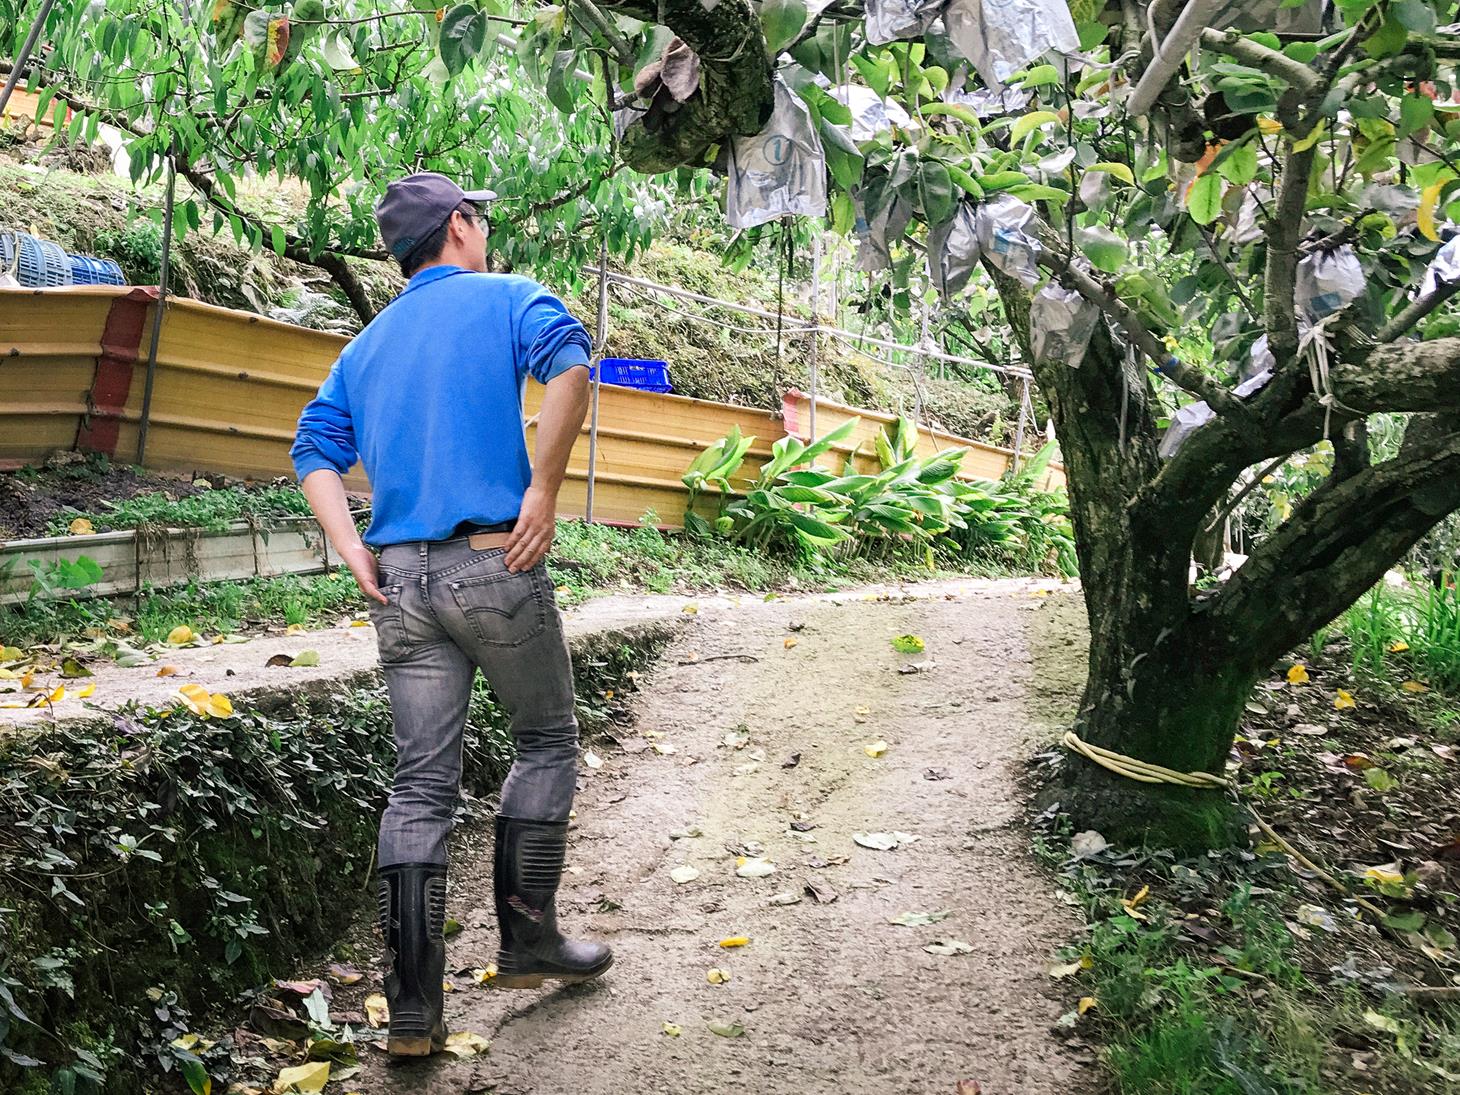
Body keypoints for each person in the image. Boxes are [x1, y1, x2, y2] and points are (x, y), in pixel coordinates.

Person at [290, 172, 611, 1058]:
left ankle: (415, 1013)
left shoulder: (367, 345)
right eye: (480, 219)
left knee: (420, 782)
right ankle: (527, 939)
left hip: (398, 580)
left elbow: (312, 446)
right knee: (545, 739)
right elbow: (573, 361)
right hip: (491, 562)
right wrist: (542, 489)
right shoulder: (510, 297)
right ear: (460, 226)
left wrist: (351, 545)